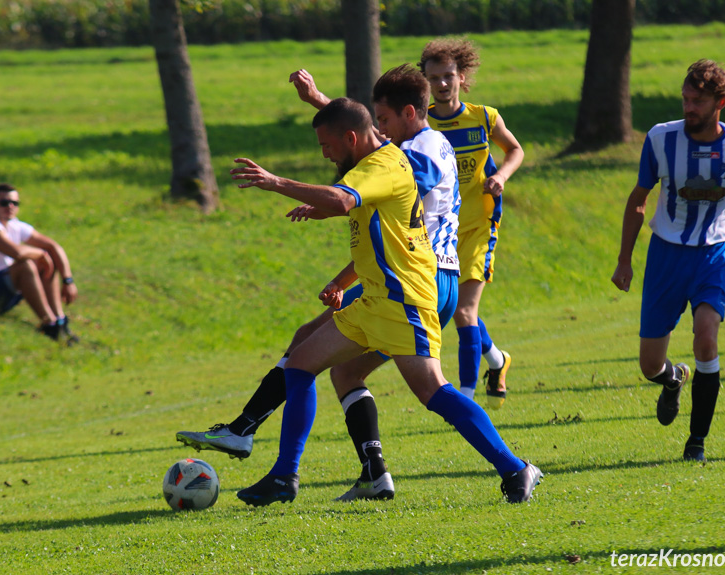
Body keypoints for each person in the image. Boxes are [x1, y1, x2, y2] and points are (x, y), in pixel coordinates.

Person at [226, 97, 542, 506]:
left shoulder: (384, 164)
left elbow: (344, 199)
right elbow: (361, 212)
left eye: (327, 145)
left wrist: (276, 182)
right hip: (376, 298)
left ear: (351, 138)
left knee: (433, 392)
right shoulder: (376, 163)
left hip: (404, 299)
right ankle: (286, 476)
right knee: (302, 362)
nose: (324, 154)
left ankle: (517, 469)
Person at [179, 64, 464, 502]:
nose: (380, 128)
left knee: (426, 388)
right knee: (331, 362)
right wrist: (319, 104)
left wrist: (309, 192)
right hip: (413, 271)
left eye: (384, 119)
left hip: (419, 277)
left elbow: (380, 182)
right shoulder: (411, 145)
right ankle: (369, 473)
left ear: (408, 114)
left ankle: (251, 439)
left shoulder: (419, 151)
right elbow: (367, 155)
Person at [611, 59, 725, 462]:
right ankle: (672, 379)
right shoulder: (661, 139)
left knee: (706, 337)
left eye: (698, 101)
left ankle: (696, 443)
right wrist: (625, 260)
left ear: (721, 102)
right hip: (665, 256)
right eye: (685, 98)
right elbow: (638, 201)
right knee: (649, 365)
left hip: (713, 255)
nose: (688, 107)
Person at [419, 38, 524, 408]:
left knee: (463, 312)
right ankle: (497, 359)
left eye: (448, 76)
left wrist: (503, 177)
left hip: (480, 225)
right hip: (438, 234)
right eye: (434, 78)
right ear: (426, 82)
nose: (443, 84)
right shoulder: (421, 123)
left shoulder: (484, 117)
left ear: (462, 77)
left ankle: (466, 397)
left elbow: (515, 150)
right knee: (457, 310)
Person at [0, 183, 79, 342]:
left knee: (44, 262)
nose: (10, 206)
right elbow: (17, 253)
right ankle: (50, 325)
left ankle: (60, 320)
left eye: (15, 203)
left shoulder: (15, 225)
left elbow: (53, 246)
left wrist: (68, 280)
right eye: (4, 203)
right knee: (26, 265)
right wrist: (42, 254)